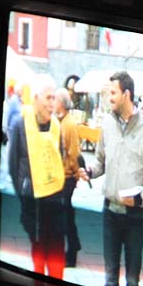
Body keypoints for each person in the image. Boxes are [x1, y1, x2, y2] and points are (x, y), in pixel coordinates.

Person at [78, 71, 143, 286]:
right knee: (109, 280)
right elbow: (100, 162)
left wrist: (140, 198)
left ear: (127, 94)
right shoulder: (107, 123)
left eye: (113, 93)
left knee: (132, 283)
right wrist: (90, 171)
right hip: (109, 212)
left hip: (135, 217)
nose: (109, 98)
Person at [8, 73, 67, 279]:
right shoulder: (19, 125)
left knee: (57, 250)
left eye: (54, 98)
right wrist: (24, 190)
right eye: (48, 98)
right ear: (35, 99)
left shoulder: (56, 125)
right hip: (33, 202)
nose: (52, 104)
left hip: (55, 199)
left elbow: (60, 157)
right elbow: (13, 165)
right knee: (39, 249)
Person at [54, 87, 82, 268]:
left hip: (67, 177)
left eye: (55, 100)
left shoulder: (69, 124)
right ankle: (73, 247)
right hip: (62, 177)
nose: (53, 103)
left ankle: (72, 252)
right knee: (66, 214)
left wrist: (74, 174)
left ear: (62, 103)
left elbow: (73, 153)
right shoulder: (61, 121)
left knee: (65, 216)